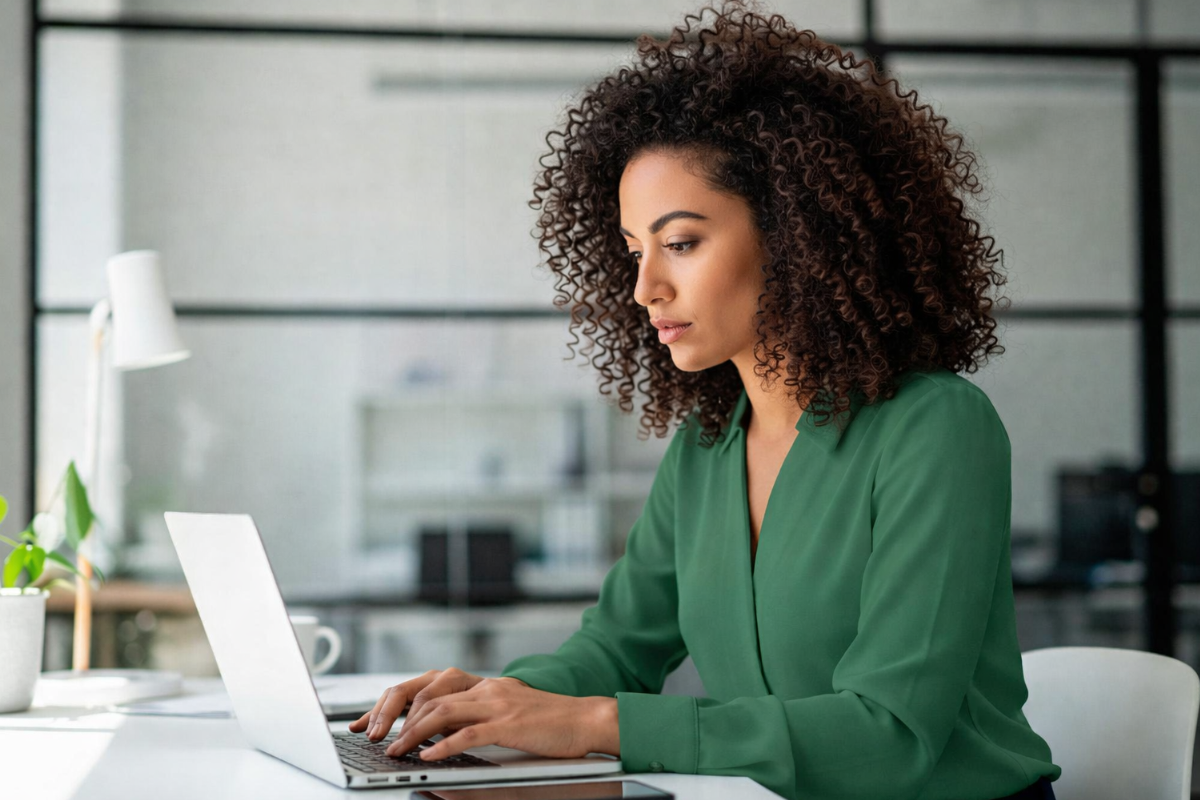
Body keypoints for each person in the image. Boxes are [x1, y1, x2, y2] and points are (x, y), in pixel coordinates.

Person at [349, 2, 1062, 798]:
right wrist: (484, 705)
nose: (645, 286)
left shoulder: (935, 428)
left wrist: (597, 725)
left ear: (798, 234)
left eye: (681, 242)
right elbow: (614, 650)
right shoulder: (709, 443)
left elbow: (888, 735)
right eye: (633, 250)